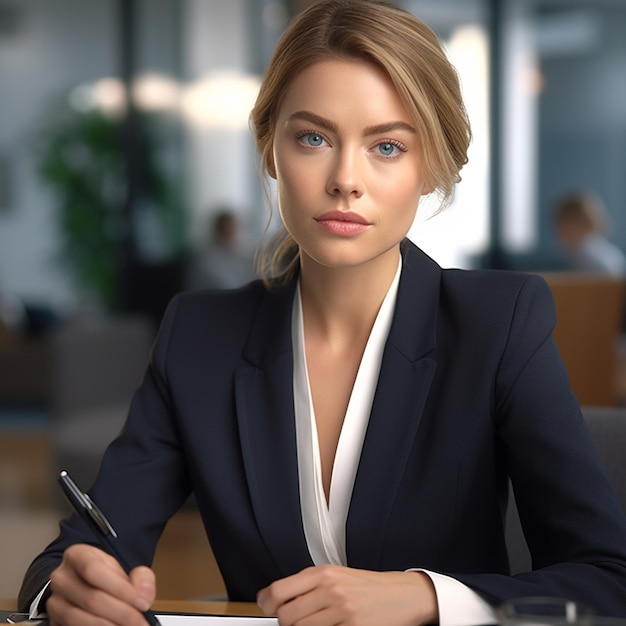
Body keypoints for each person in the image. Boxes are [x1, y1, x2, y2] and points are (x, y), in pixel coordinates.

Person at [18, 1, 626, 625]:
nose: (345, 179)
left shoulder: (499, 325)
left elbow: (609, 579)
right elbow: (76, 552)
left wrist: (426, 595)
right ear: (270, 150)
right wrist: (71, 587)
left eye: (387, 147)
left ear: (429, 168)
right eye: (313, 138)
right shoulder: (198, 336)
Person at [553, 191, 626, 277]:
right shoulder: (603, 250)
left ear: (577, 223)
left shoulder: (590, 258)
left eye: (562, 224)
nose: (558, 231)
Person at [186, 209, 257, 290]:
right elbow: (230, 287)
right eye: (228, 231)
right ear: (218, 231)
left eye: (234, 231)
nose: (233, 236)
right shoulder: (206, 259)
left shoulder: (235, 255)